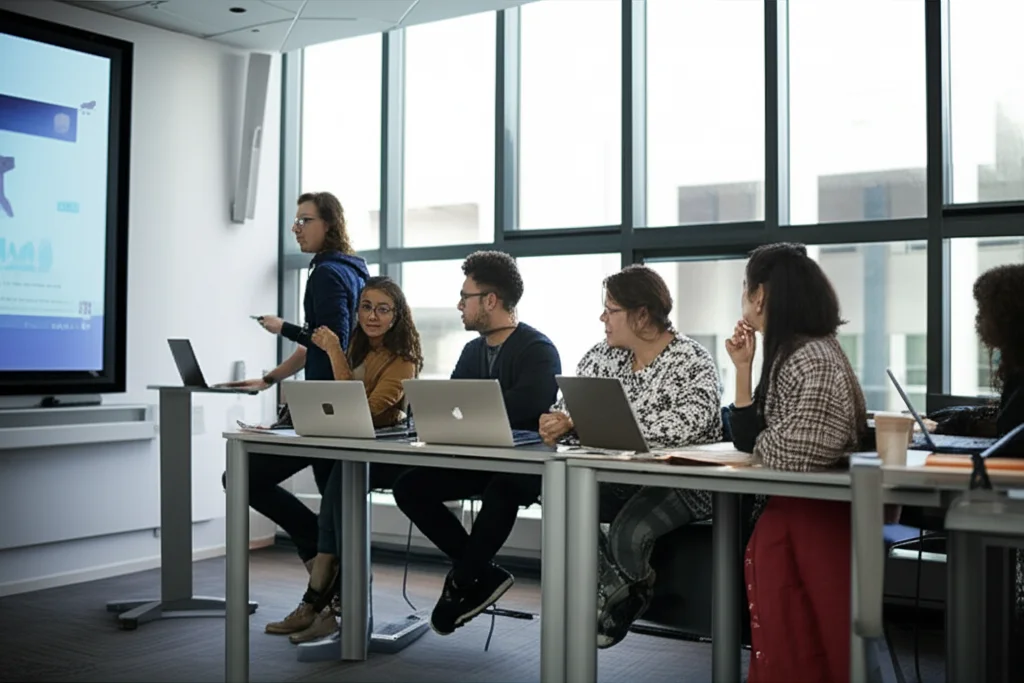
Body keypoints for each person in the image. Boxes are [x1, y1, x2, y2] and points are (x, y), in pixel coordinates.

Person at [537, 264, 723, 649]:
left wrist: (582, 424)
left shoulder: (693, 360)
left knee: (628, 532)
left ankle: (610, 604)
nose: (602, 318)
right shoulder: (601, 357)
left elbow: (686, 426)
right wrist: (558, 422)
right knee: (557, 500)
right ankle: (624, 594)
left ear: (642, 314)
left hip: (681, 481)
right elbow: (566, 407)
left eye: (611, 310)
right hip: (617, 476)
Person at [391, 250, 561, 636]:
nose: (459, 305)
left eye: (465, 296)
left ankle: (463, 579)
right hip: (477, 459)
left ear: (490, 300)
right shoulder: (472, 351)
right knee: (409, 487)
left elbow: (528, 407)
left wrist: (469, 410)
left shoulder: (538, 350)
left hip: (524, 466)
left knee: (503, 488)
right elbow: (454, 404)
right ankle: (481, 573)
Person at [725, 243, 866, 683]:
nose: (743, 299)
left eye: (745, 289)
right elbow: (752, 441)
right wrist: (743, 369)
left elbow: (793, 455)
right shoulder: (789, 350)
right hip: (797, 513)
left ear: (761, 295)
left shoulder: (812, 356)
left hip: (812, 519)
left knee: (806, 645)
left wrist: (765, 442)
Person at [219, 192, 370, 606]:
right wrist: (269, 378)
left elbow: (329, 340)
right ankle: (337, 595)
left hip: (327, 409)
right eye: (296, 220)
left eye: (305, 220)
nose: (295, 228)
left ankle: (328, 581)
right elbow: (319, 346)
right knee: (337, 511)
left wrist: (282, 326)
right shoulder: (355, 271)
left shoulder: (325, 273)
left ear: (329, 225)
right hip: (338, 405)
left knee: (242, 478)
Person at [265, 276, 423, 641]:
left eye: (383, 309)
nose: (372, 316)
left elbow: (360, 411)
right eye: (366, 307)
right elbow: (336, 401)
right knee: (331, 490)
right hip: (345, 446)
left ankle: (314, 598)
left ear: (397, 315)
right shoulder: (358, 347)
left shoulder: (403, 360)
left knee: (339, 484)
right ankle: (323, 605)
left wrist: (335, 352)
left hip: (383, 454)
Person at [929, 263, 1024, 438]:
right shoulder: (1015, 366)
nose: (978, 319)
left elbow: (1012, 435)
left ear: (1008, 317)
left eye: (984, 311)